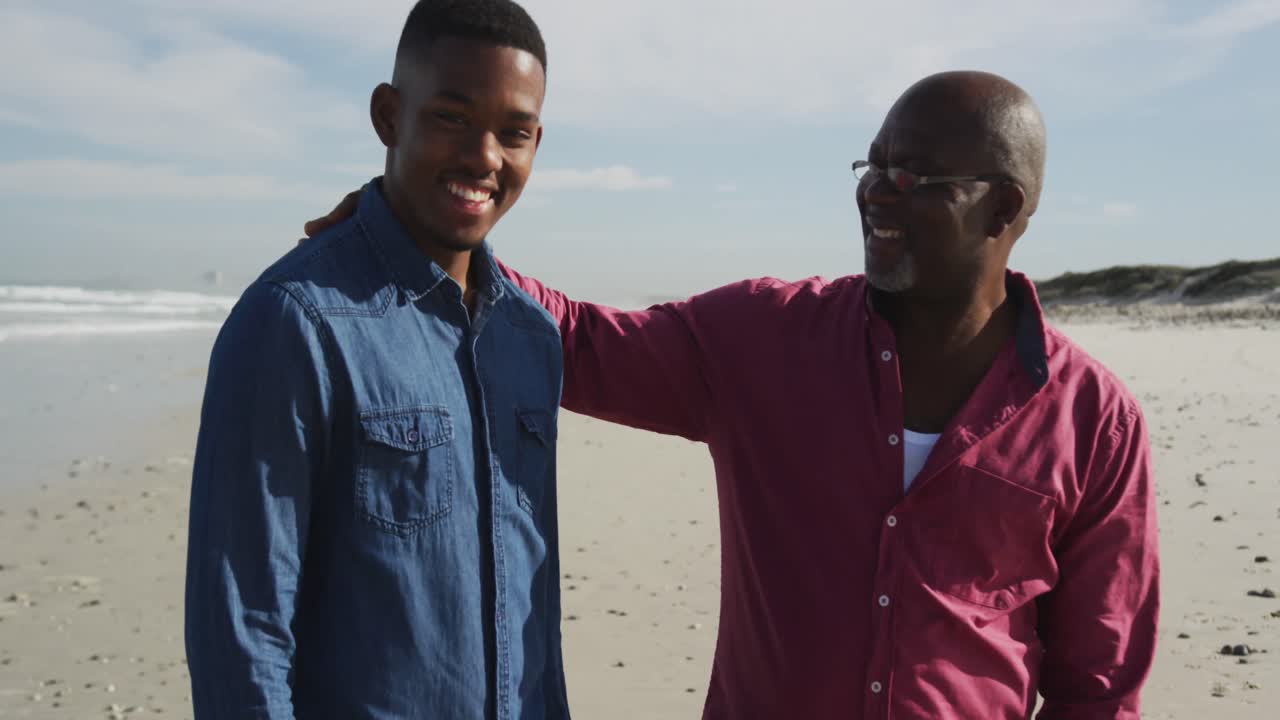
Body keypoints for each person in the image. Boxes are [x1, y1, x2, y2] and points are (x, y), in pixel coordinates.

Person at [306, 71, 1159, 719]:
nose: (878, 191)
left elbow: (1100, 685)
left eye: (918, 177)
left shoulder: (1096, 422)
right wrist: (425, 240)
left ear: (1002, 207)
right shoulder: (764, 339)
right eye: (876, 164)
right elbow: (577, 341)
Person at [184, 1, 571, 718]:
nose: (485, 157)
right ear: (390, 117)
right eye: (452, 117)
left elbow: (532, 618)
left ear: (535, 144)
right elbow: (244, 632)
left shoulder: (530, 339)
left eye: (513, 133)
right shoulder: (295, 323)